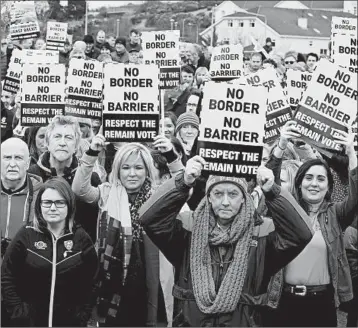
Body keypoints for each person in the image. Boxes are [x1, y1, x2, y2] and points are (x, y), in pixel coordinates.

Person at [139, 157, 314, 326]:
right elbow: (149, 219)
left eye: (232, 194)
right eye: (218, 193)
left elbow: (301, 234)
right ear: (208, 197)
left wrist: (272, 191)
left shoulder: (262, 232)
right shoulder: (187, 227)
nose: (225, 202)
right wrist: (182, 183)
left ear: (244, 198)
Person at [72, 138, 177, 326]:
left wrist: (171, 155)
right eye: (126, 168)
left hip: (149, 279)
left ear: (147, 171)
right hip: (113, 279)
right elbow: (79, 189)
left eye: (138, 168)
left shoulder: (158, 195)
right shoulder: (107, 192)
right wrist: (91, 153)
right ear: (118, 170)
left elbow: (183, 186)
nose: (132, 174)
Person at [268, 127, 357, 327]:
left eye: (321, 179)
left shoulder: (336, 214)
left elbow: (356, 193)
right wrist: (281, 146)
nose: (314, 183)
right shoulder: (286, 211)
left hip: (321, 304)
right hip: (283, 301)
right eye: (308, 177)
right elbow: (269, 186)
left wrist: (351, 152)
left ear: (328, 187)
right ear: (299, 183)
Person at [1, 177, 98, 327]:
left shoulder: (81, 239)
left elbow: (92, 282)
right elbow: (7, 275)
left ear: (69, 205)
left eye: (59, 202)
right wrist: (19, 313)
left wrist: (81, 316)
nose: (53, 208)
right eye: (47, 202)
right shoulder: (26, 235)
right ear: (39, 205)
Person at [27, 115, 101, 241]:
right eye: (57, 137)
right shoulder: (31, 176)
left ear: (77, 146)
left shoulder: (91, 179)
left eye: (68, 137)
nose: (62, 143)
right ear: (47, 143)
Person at [1, 138, 43, 256]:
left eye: (18, 158)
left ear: (28, 162)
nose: (12, 164)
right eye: (7, 157)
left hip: (25, 267)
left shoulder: (42, 195)